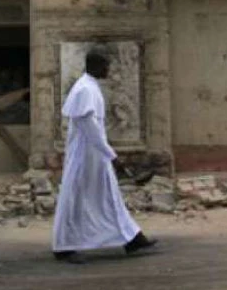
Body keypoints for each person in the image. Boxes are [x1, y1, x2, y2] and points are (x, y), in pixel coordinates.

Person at [52, 49, 157, 264]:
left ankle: (132, 238)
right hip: (86, 157)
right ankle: (63, 246)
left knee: (109, 196)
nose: (109, 70)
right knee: (76, 198)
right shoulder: (85, 90)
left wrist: (106, 154)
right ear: (96, 66)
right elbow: (90, 128)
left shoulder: (89, 87)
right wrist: (111, 155)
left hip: (95, 155)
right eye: (106, 66)